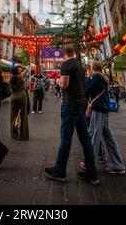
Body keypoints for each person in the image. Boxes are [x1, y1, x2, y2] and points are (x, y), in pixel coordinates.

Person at [45, 46, 99, 185]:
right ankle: (92, 173)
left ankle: (60, 170)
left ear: (64, 55)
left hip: (70, 104)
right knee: (85, 138)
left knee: (66, 137)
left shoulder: (66, 64)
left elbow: (64, 83)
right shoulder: (80, 66)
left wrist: (58, 81)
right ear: (73, 53)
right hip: (81, 103)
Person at [85, 61, 125, 175]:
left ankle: (90, 163)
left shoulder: (97, 76)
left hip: (99, 108)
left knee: (94, 134)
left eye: (91, 68)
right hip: (102, 108)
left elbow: (89, 88)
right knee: (107, 136)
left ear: (93, 68)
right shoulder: (102, 77)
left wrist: (86, 78)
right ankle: (117, 165)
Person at [10, 65, 30, 141]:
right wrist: (19, 65)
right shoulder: (21, 76)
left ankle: (13, 134)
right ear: (18, 71)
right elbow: (27, 68)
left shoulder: (11, 79)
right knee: (23, 115)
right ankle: (23, 135)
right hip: (22, 95)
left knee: (13, 115)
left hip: (13, 96)